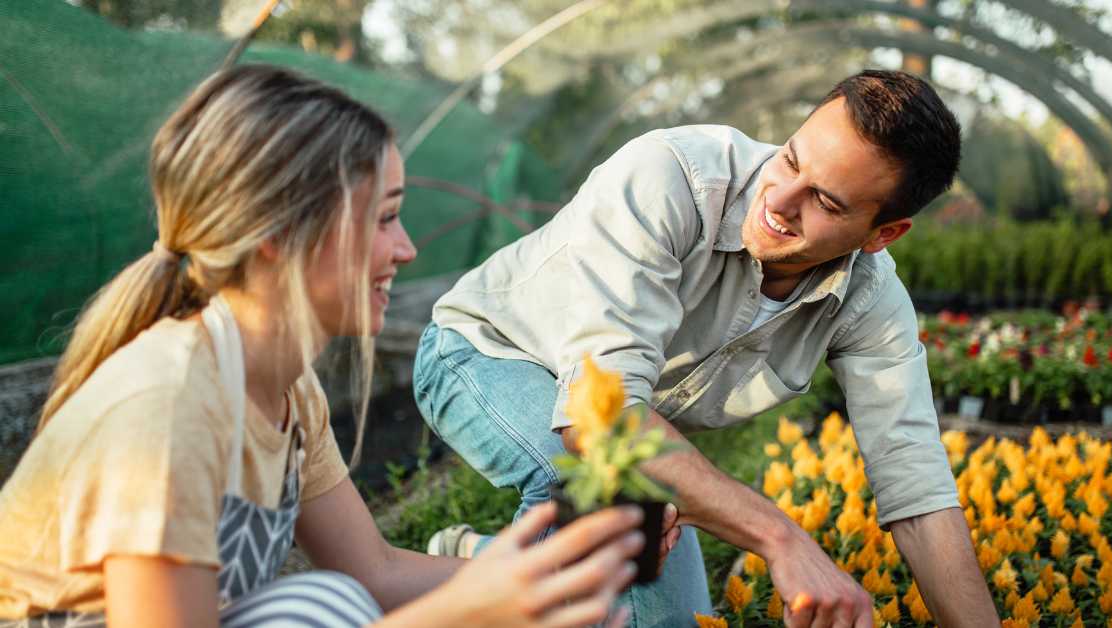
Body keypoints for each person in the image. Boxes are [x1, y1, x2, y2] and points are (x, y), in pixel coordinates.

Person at [0, 64, 646, 628]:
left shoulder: (283, 385)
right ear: (282, 233)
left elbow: (376, 572)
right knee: (317, 611)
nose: (407, 250)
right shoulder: (167, 407)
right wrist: (459, 615)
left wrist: (552, 576)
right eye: (385, 218)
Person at [415, 70, 1001, 627]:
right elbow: (601, 425)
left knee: (672, 619)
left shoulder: (870, 301)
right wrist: (783, 538)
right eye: (791, 158)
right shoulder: (669, 177)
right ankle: (423, 596)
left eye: (825, 201)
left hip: (637, 437)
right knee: (581, 481)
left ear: (883, 234)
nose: (781, 198)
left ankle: (477, 562)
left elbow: (920, 496)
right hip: (485, 350)